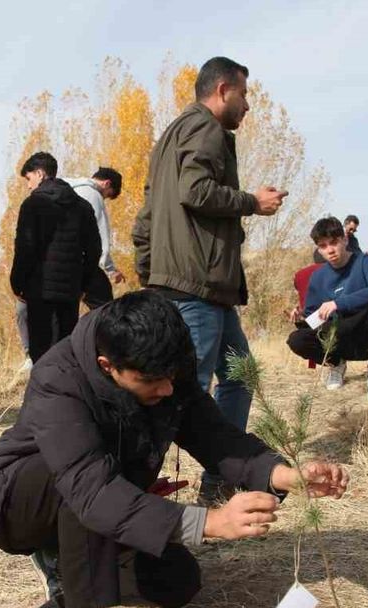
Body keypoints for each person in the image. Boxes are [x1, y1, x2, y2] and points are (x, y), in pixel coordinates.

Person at [0, 290, 350, 608]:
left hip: (97, 495)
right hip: (16, 501)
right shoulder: (58, 379)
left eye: (173, 377)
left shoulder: (165, 367)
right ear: (107, 366)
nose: (168, 390)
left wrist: (283, 474)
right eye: (152, 381)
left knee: (176, 582)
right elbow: (91, 489)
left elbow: (216, 437)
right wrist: (211, 522)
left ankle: (64, 562)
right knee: (86, 483)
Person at [133, 55, 287, 505]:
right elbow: (195, 191)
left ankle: (221, 472)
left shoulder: (169, 137)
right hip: (196, 286)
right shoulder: (207, 129)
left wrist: (152, 273)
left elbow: (145, 220)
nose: (248, 105)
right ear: (222, 90)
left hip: (194, 286)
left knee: (240, 375)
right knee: (183, 393)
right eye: (244, 94)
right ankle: (136, 486)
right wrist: (250, 202)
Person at [285, 217, 368, 400]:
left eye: (334, 242)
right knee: (296, 339)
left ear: (344, 239)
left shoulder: (364, 262)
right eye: (323, 246)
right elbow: (314, 315)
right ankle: (336, 364)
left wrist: (338, 303)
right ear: (319, 249)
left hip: (367, 334)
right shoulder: (318, 277)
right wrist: (302, 318)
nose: (330, 250)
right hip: (340, 337)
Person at [11, 152, 102, 362]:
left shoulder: (32, 205)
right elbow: (94, 250)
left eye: (29, 178)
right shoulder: (82, 206)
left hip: (38, 291)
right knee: (65, 350)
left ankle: (44, 392)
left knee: (41, 353)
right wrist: (83, 285)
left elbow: (24, 248)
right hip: (70, 291)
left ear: (40, 174)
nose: (28, 185)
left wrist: (17, 284)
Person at [67, 167, 125, 309]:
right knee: (105, 306)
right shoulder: (93, 195)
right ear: (106, 183)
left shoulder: (68, 188)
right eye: (107, 195)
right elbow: (100, 236)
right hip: (78, 260)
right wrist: (111, 270)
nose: (104, 198)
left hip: (56, 262)